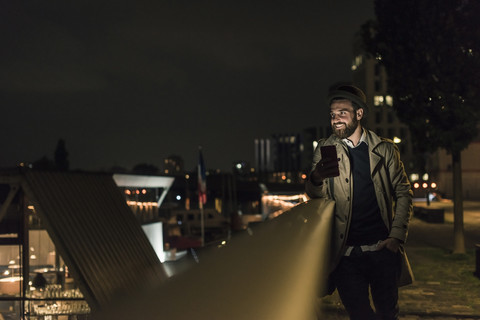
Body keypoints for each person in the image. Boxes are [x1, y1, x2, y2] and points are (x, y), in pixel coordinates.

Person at [305, 84, 414, 320]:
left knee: (388, 314)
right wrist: (315, 178)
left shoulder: (385, 150)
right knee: (359, 315)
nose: (336, 120)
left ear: (359, 114)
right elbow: (315, 197)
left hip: (382, 250)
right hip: (345, 256)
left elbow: (404, 193)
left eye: (342, 113)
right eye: (332, 114)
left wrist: (396, 237)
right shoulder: (325, 149)